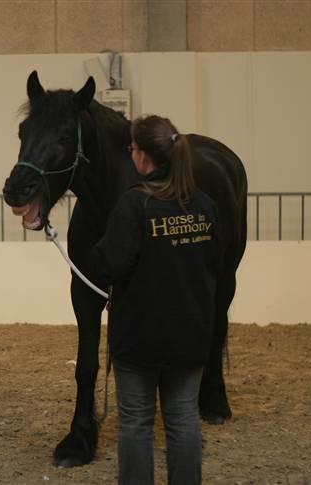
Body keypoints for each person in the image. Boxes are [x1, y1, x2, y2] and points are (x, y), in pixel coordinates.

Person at [95, 115, 223, 485]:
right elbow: (216, 262)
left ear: (144, 157)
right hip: (192, 334)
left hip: (140, 339)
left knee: (136, 422)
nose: (131, 153)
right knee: (183, 421)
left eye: (133, 148)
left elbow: (109, 264)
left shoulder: (134, 206)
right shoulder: (204, 206)